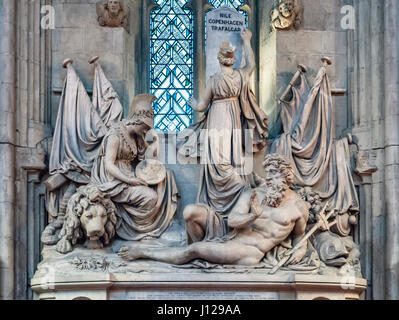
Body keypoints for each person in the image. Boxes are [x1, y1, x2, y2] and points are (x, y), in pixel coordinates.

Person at [119, 154, 310, 266]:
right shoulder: (254, 194)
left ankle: (143, 252)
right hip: (230, 233)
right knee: (190, 212)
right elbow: (233, 220)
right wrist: (253, 215)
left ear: (287, 178)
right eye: (267, 174)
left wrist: (300, 251)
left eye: (274, 175)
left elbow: (299, 237)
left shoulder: (298, 207)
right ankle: (201, 254)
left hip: (248, 250)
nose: (269, 180)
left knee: (194, 249)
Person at [185, 29, 268, 217]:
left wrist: (192, 103)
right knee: (232, 154)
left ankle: (228, 191)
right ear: (232, 58)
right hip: (234, 115)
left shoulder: (214, 80)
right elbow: (251, 64)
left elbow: (201, 106)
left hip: (218, 116)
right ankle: (237, 192)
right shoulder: (240, 76)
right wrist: (247, 40)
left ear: (218, 59)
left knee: (218, 157)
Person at [91, 94, 178, 241]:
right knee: (150, 198)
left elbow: (147, 160)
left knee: (167, 178)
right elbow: (109, 165)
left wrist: (155, 143)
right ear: (136, 121)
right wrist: (130, 181)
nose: (146, 131)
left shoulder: (136, 137)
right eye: (145, 127)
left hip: (129, 177)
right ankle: (138, 231)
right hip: (114, 181)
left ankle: (146, 226)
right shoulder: (115, 135)